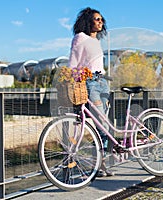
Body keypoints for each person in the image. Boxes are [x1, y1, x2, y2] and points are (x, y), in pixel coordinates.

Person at [68, 7, 114, 177]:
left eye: (101, 19)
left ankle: (100, 165)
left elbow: (97, 65)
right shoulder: (80, 38)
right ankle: (99, 165)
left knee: (104, 127)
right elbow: (73, 63)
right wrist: (74, 76)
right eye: (96, 19)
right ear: (88, 21)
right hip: (91, 84)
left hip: (102, 83)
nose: (100, 22)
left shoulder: (97, 41)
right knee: (102, 126)